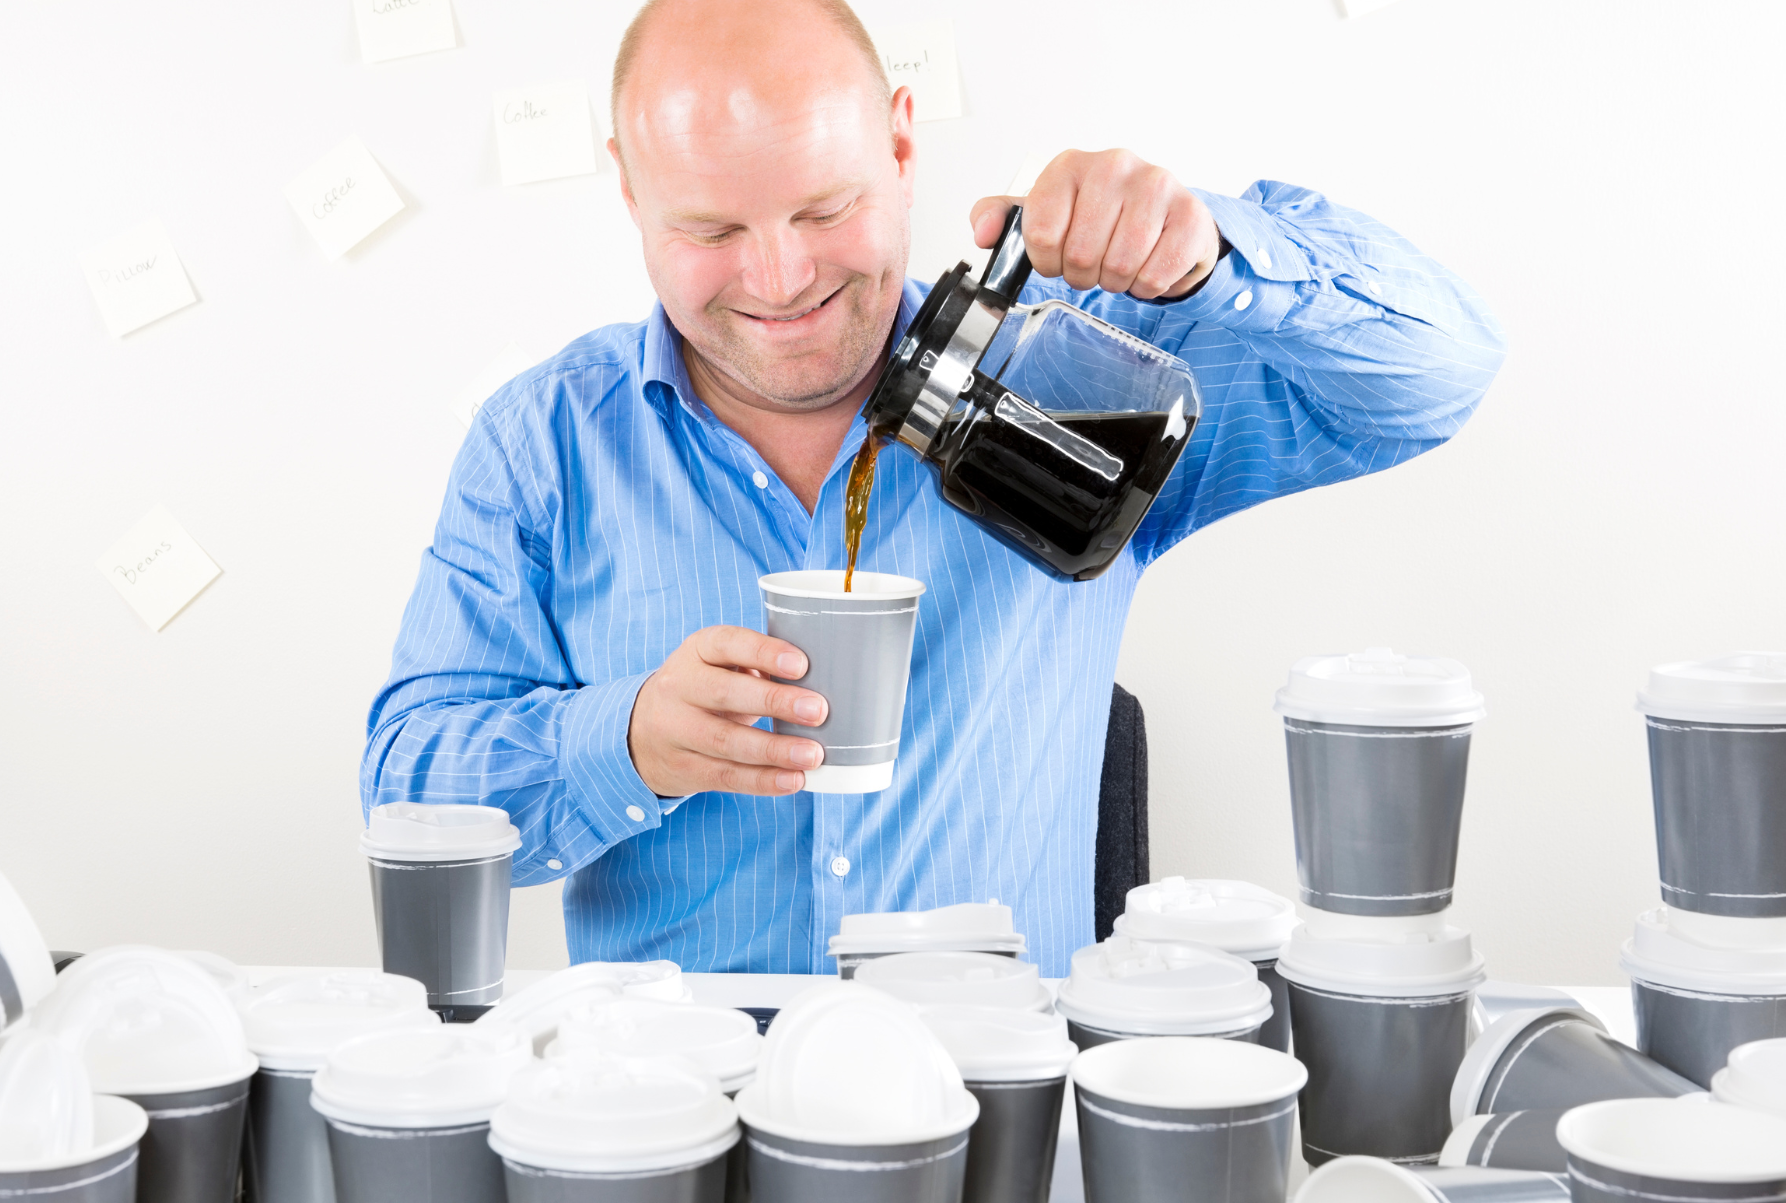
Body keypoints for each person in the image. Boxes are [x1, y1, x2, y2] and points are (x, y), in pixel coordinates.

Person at [363, 0, 1504, 975]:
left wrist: (1207, 252)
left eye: (822, 209)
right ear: (628, 192)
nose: (780, 277)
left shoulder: (1077, 377)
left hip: (997, 1106)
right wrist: (622, 743)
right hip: (672, 1118)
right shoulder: (545, 443)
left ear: (902, 148)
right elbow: (406, 793)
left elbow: (1438, 373)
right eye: (711, 227)